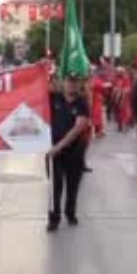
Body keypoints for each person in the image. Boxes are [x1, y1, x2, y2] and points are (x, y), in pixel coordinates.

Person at [46, 74, 91, 231]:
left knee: (72, 186)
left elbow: (78, 127)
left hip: (74, 151)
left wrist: (58, 147)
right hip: (53, 153)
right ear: (62, 82)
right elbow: (36, 90)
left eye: (75, 82)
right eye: (68, 81)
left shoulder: (82, 103)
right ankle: (54, 218)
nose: (71, 85)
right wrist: (41, 68)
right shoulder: (53, 98)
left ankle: (70, 213)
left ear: (79, 84)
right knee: (54, 187)